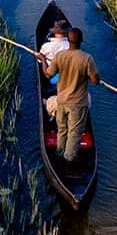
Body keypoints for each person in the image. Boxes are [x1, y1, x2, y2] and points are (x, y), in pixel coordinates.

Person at [42, 27, 99, 162]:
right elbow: (95, 81)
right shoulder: (87, 59)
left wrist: (43, 60)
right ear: (81, 41)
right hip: (78, 104)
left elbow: (47, 74)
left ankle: (59, 152)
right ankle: (69, 159)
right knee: (74, 133)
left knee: (62, 129)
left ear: (68, 40)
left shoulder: (60, 56)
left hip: (61, 102)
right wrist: (94, 75)